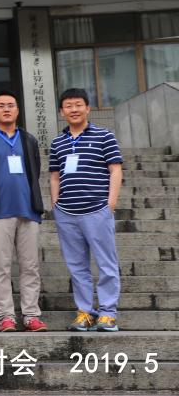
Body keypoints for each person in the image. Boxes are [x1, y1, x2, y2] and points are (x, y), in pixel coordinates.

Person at [49, 88, 124, 332]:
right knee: (76, 267)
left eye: (78, 104)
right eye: (68, 106)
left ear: (88, 108)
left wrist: (110, 203)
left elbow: (115, 170)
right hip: (67, 212)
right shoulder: (57, 142)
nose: (74, 109)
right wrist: (55, 203)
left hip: (97, 209)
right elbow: (54, 176)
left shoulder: (104, 136)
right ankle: (85, 312)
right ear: (62, 112)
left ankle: (108, 313)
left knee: (106, 263)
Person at [0, 91, 48, 333]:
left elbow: (35, 171)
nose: (6, 109)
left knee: (30, 267)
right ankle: (5, 316)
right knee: (0, 268)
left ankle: (31, 315)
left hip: (28, 210)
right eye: (1, 106)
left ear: (17, 110)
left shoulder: (29, 140)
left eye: (10, 105)